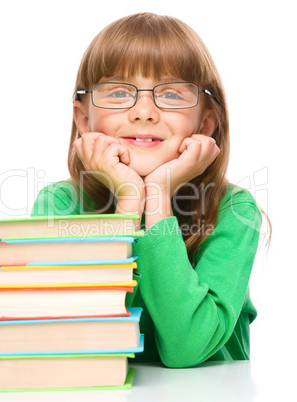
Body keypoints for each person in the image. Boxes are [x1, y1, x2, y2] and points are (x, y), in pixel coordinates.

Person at [32, 12, 268, 368]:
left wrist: (157, 196)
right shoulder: (60, 204)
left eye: (171, 94)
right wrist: (129, 198)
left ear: (204, 124)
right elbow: (83, 338)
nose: (144, 111)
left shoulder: (233, 210)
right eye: (119, 92)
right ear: (84, 120)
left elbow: (187, 347)